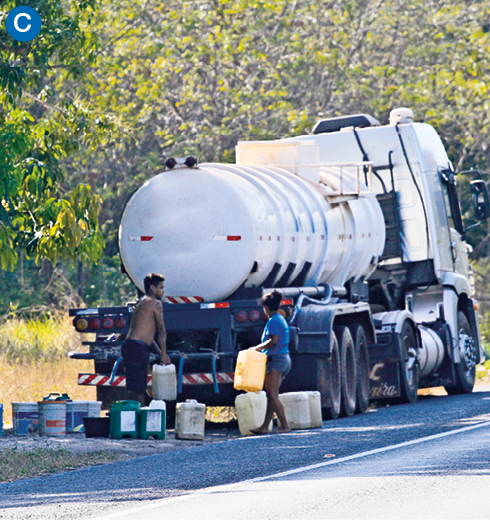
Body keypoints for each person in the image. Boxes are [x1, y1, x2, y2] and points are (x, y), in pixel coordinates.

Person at [121, 273, 172, 406]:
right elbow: (161, 331)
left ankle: (136, 416)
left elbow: (148, 336)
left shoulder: (141, 302)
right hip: (137, 348)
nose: (163, 291)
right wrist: (165, 355)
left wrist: (160, 353)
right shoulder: (155, 304)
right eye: (161, 287)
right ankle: (140, 419)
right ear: (153, 288)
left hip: (131, 346)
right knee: (139, 389)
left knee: (137, 386)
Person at [249, 290, 291, 434]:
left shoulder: (273, 320)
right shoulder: (280, 319)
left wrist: (257, 348)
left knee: (272, 395)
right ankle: (265, 426)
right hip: (284, 358)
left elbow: (273, 341)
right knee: (271, 395)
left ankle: (284, 426)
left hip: (276, 360)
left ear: (266, 308)